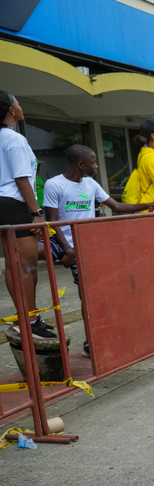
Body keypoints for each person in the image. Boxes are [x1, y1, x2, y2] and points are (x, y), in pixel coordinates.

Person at [45, 144, 154, 352]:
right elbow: (52, 221)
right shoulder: (54, 184)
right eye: (93, 162)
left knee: (90, 295)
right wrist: (68, 250)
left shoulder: (91, 184)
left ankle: (91, 341)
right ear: (81, 164)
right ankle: (29, 319)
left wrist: (147, 206)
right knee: (28, 254)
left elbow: (117, 206)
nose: (97, 166)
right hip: (62, 242)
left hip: (88, 247)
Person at [0, 91, 56, 339]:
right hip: (15, 204)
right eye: (18, 103)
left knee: (14, 265)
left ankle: (27, 318)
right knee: (27, 265)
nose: (20, 106)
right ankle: (29, 320)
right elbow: (21, 178)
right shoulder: (14, 139)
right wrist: (37, 213)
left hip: (3, 205)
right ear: (11, 110)